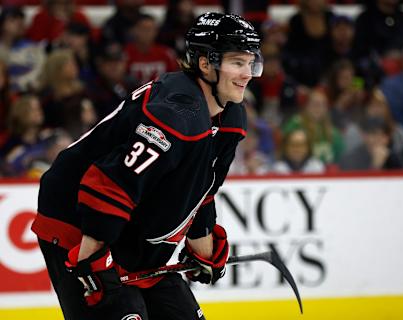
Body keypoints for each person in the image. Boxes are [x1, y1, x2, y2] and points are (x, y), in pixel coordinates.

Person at [30, 12, 263, 320]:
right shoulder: (176, 116)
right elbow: (110, 186)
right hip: (76, 220)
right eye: (237, 62)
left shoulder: (230, 116)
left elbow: (200, 189)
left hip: (130, 230)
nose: (247, 73)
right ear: (206, 64)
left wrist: (203, 248)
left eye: (251, 62)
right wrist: (92, 264)